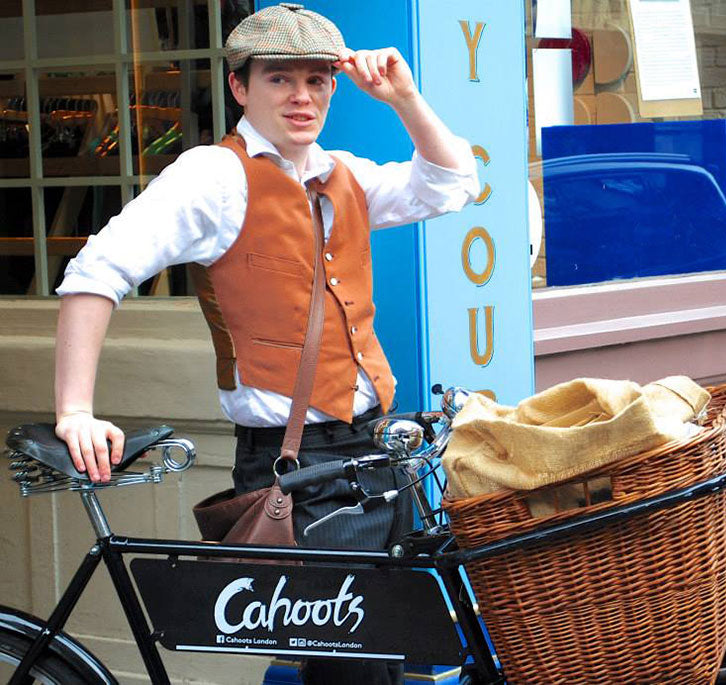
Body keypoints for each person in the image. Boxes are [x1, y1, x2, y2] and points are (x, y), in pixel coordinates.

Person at [52, 4, 478, 683]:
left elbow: (455, 184)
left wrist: (404, 97)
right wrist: (75, 407)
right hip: (295, 471)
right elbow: (95, 270)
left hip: (371, 456)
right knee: (354, 675)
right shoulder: (213, 177)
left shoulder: (345, 172)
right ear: (240, 87)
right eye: (280, 79)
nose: (302, 96)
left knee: (391, 660)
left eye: (317, 80)